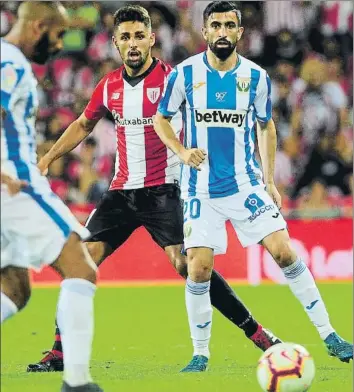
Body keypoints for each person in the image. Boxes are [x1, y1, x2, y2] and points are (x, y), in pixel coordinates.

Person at [27, 5, 281, 373]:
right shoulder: (109, 85)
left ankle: (257, 333)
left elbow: (211, 115)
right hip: (120, 192)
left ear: (151, 38)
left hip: (165, 190)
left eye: (138, 36)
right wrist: (48, 157)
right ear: (115, 42)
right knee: (79, 264)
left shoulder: (175, 79)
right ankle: (59, 352)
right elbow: (83, 124)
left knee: (190, 266)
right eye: (125, 37)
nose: (132, 44)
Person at [154, 1, 353, 372]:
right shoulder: (184, 74)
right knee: (197, 268)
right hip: (199, 188)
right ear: (205, 30)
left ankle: (330, 335)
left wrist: (270, 180)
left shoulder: (256, 77)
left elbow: (266, 126)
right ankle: (200, 353)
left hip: (245, 185)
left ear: (240, 32)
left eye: (230, 25)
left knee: (285, 252)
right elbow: (161, 118)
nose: (223, 32)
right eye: (216, 25)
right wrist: (181, 151)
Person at [1, 2, 103, 391]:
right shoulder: (10, 63)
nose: (60, 44)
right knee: (81, 265)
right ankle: (77, 383)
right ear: (39, 26)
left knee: (14, 289)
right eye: (58, 34)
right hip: (16, 187)